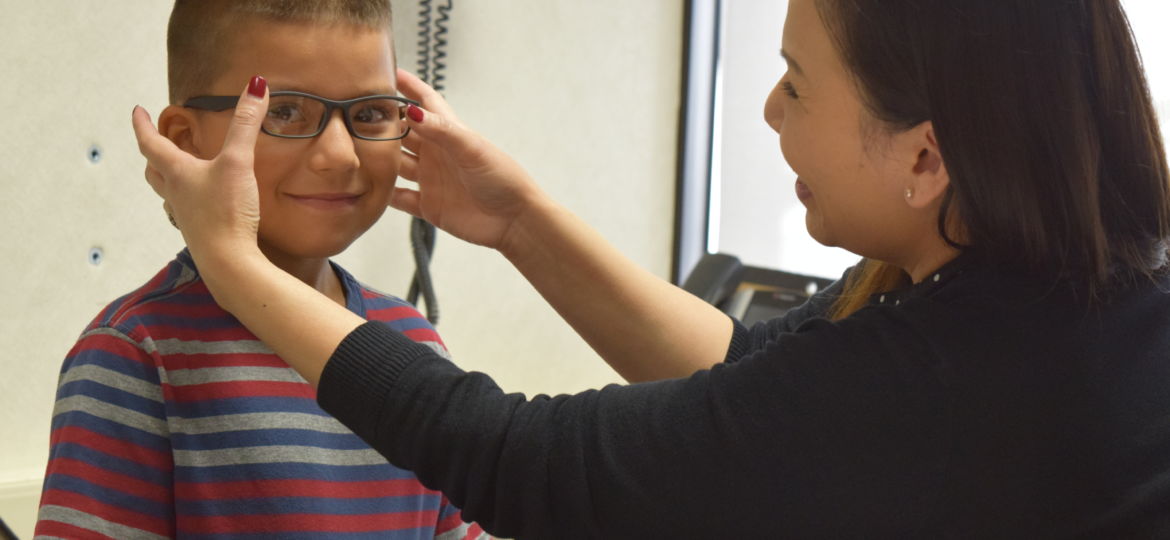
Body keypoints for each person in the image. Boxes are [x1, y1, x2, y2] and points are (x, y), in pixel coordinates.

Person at [134, 0, 1170, 537]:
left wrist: (229, 262)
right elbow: (747, 379)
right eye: (290, 115)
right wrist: (521, 220)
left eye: (796, 87)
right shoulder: (137, 357)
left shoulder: (975, 377)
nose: (767, 112)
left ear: (925, 156)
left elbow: (519, 462)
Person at [35, 1, 487, 538]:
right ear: (183, 140)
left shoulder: (416, 343)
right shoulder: (137, 353)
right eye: (284, 111)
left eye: (369, 113)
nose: (340, 155)